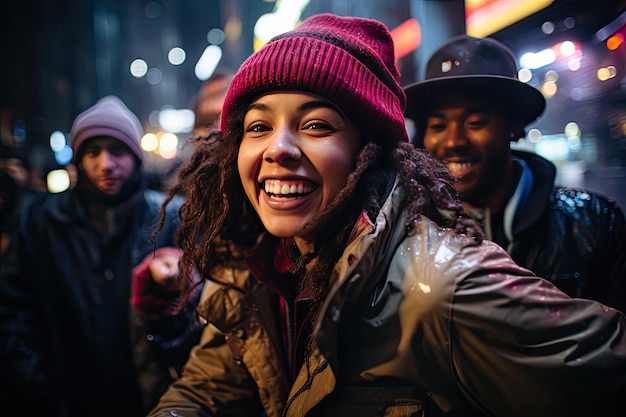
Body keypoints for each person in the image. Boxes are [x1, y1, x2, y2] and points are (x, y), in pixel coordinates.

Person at [147, 13, 626, 417]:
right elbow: (210, 389)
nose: (278, 148)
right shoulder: (253, 262)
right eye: (258, 126)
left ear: (368, 152)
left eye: (315, 124)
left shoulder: (440, 283)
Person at [0, 96, 196, 416]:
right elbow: (12, 310)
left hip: (148, 398)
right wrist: (38, 388)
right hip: (65, 398)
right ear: (79, 159)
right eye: (93, 151)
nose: (105, 164)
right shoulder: (40, 221)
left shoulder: (169, 217)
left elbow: (199, 320)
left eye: (117, 150)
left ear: (135, 157)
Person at [403, 34, 626, 313]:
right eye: (438, 126)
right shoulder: (409, 230)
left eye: (475, 122)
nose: (453, 141)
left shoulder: (596, 221)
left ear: (514, 126)